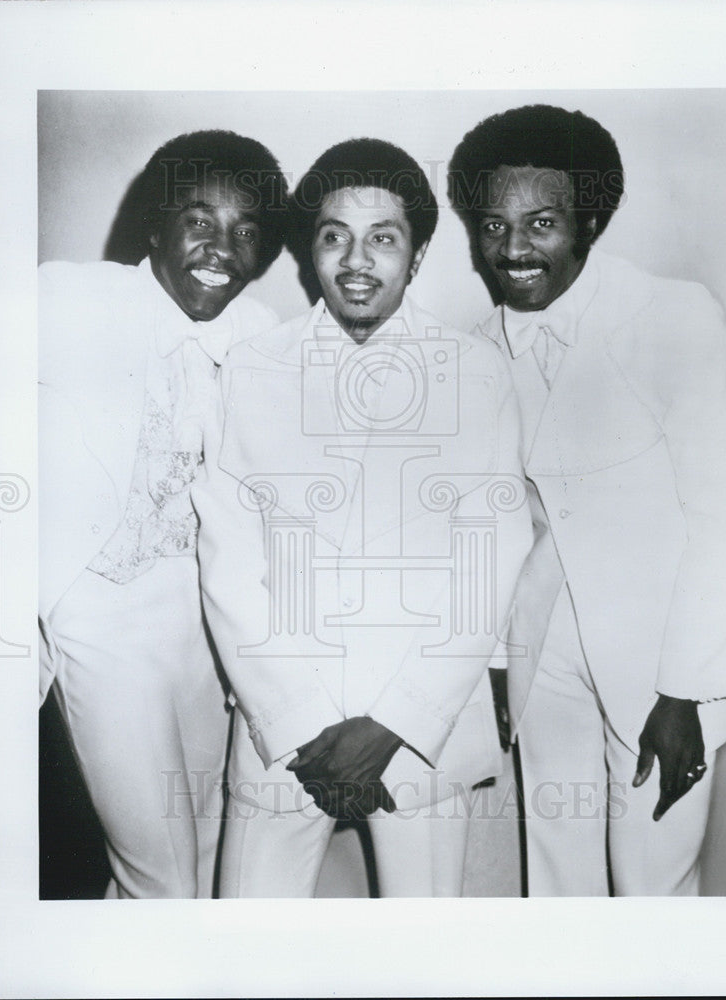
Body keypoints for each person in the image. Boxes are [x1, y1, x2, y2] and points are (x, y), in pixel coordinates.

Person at [193, 138, 533, 897]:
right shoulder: (252, 370)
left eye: (383, 238)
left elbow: (492, 558)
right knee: (248, 952)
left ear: (414, 259)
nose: (356, 259)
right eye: (334, 235)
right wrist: (303, 720)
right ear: (308, 251)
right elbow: (228, 562)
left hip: (421, 732)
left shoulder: (474, 373)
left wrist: (394, 723)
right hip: (282, 730)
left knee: (423, 953)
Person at [448, 104, 726, 896]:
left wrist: (686, 689)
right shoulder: (475, 352)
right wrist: (498, 664)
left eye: (540, 222)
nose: (512, 249)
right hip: (543, 658)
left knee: (653, 895)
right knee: (556, 886)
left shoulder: (676, 317)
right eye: (492, 225)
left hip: (664, 668)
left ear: (589, 219)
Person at [38, 130, 288, 898]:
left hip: (203, 628)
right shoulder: (68, 297)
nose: (223, 248)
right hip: (100, 612)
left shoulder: (261, 336)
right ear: (155, 225)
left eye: (247, 232)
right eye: (200, 221)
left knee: (202, 853)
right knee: (164, 877)